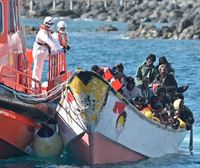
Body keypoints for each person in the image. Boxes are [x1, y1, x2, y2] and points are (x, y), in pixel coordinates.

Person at [32, 16, 59, 86]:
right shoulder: (42, 32)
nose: (49, 25)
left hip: (46, 51)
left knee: (55, 62)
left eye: (51, 24)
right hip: (39, 51)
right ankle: (34, 86)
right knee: (38, 69)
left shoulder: (49, 32)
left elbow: (53, 39)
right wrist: (54, 47)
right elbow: (47, 40)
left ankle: (53, 80)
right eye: (48, 24)